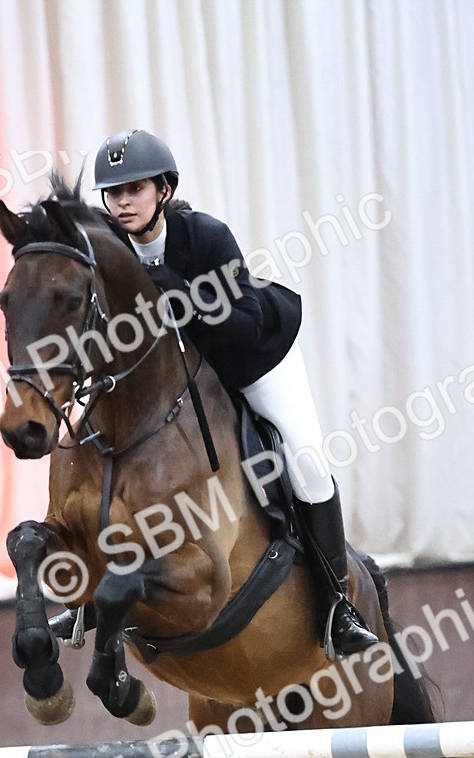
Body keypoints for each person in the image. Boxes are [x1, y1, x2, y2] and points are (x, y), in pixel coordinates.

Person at [93, 128, 376, 658]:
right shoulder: (113, 252)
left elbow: (243, 323)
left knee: (309, 463)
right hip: (186, 381)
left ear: (164, 191)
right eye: (114, 192)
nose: (123, 201)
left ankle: (339, 606)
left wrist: (187, 298)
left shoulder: (205, 237)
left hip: (255, 360)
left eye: (135, 189)